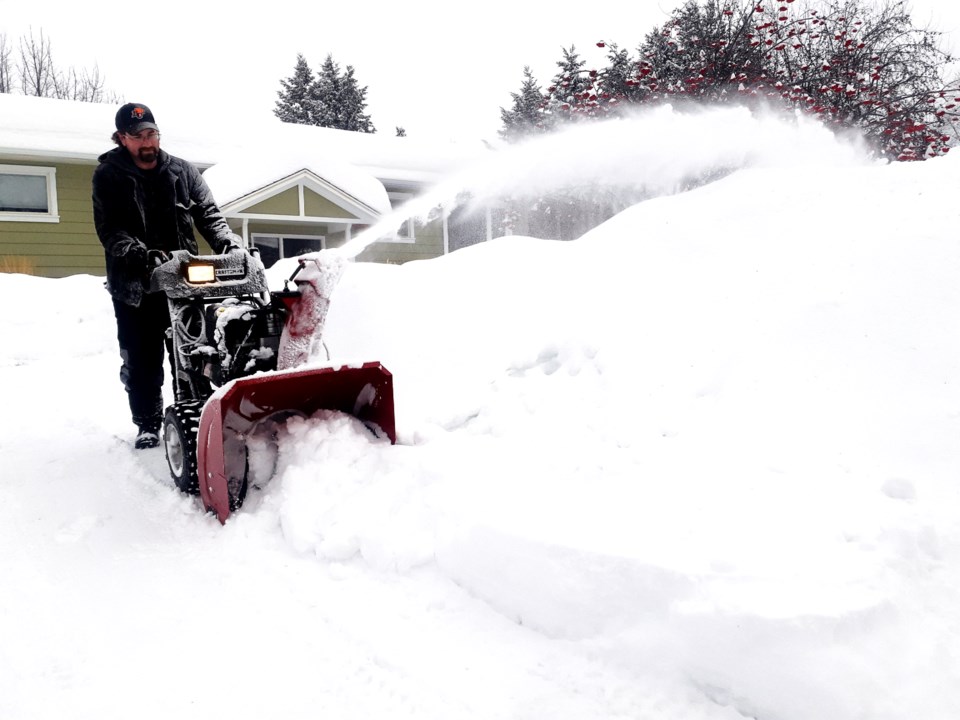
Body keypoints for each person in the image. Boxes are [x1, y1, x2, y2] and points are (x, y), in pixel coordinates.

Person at [92, 102, 243, 449]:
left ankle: (194, 416)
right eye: (138, 136)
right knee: (142, 360)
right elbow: (110, 229)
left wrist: (228, 243)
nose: (148, 143)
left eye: (152, 134)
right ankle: (147, 422)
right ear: (121, 139)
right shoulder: (109, 175)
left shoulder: (182, 172)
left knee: (192, 353)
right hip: (136, 286)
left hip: (184, 281)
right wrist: (141, 254)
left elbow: (209, 215)